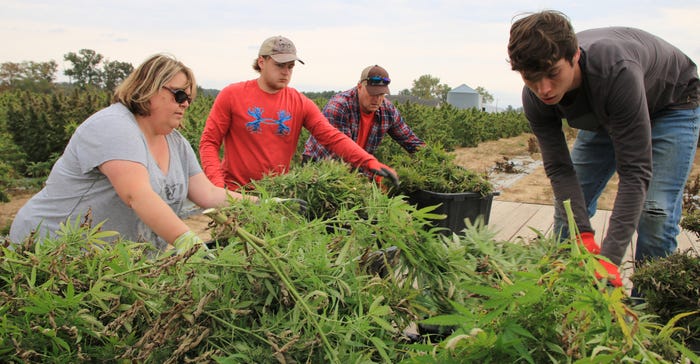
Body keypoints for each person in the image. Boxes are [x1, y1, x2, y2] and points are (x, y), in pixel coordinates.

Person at [507, 10, 699, 286]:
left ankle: (648, 303)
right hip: (606, 115)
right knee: (570, 212)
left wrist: (608, 260)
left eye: (552, 74)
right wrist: (582, 234)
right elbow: (560, 169)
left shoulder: (615, 70)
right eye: (531, 78)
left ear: (574, 56)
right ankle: (566, 294)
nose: (544, 89)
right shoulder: (535, 97)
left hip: (671, 104)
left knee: (655, 212)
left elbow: (635, 172)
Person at [9, 54, 255, 253]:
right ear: (148, 89)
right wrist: (187, 242)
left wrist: (266, 203)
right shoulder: (114, 126)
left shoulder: (175, 142)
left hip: (112, 259)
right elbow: (136, 195)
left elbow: (208, 193)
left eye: (189, 98)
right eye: (179, 94)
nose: (185, 104)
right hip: (54, 248)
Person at [199, 36, 398, 190]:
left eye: (290, 66)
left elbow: (332, 137)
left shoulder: (299, 102)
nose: (286, 72)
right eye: (279, 65)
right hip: (235, 192)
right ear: (261, 62)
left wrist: (369, 162)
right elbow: (209, 142)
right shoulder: (232, 95)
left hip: (277, 193)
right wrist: (218, 188)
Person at [302, 65, 425, 162]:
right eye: (372, 94)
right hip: (320, 164)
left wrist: (435, 156)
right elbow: (342, 153)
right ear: (359, 87)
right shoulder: (340, 107)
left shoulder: (387, 111)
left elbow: (410, 141)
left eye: (381, 94)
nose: (377, 99)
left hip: (356, 165)